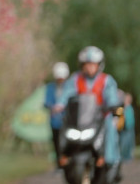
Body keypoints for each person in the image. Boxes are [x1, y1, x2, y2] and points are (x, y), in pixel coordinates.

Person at [54, 46, 121, 176]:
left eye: (92, 64)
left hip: (100, 117)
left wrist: (112, 105)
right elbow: (66, 94)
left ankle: (110, 160)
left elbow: (112, 97)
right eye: (87, 64)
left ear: (98, 65)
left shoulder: (106, 80)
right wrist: (60, 105)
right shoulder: (75, 79)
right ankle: (64, 157)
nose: (89, 68)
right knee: (64, 125)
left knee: (111, 126)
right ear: (82, 65)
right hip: (81, 119)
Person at [44, 61, 69, 169]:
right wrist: (52, 107)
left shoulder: (69, 87)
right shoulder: (50, 87)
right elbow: (47, 102)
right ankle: (59, 164)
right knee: (56, 142)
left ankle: (67, 163)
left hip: (67, 121)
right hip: (55, 121)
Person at [119, 92, 135, 162]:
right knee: (123, 144)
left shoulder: (129, 109)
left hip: (128, 129)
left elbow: (130, 121)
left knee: (127, 144)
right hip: (124, 129)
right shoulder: (124, 108)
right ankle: (125, 158)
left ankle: (127, 159)